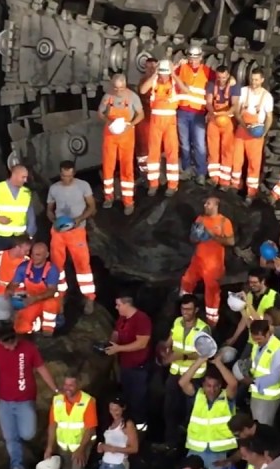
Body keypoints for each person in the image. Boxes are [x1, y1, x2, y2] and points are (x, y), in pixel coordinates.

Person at [0, 326, 57, 469]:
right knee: (10, 437)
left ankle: (23, 450)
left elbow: (42, 369)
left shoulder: (29, 348)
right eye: (6, 344)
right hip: (5, 401)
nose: (11, 347)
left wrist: (55, 390)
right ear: (0, 342)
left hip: (25, 401)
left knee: (27, 433)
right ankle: (17, 467)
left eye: (13, 342)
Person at [174, 356, 237, 469]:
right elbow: (183, 382)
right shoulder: (197, 396)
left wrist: (218, 363)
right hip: (195, 452)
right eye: (208, 385)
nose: (212, 389)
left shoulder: (226, 398)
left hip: (218, 456)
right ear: (203, 386)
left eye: (216, 386)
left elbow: (233, 384)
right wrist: (201, 360)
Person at [44, 375, 97, 469]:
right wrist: (49, 447)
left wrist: (80, 450)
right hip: (64, 445)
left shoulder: (87, 401)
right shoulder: (58, 400)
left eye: (71, 385)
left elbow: (90, 428)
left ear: (78, 385)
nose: (67, 388)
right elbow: (52, 424)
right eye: (66, 385)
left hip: (81, 445)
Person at [47, 160, 98, 313]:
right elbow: (49, 209)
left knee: (82, 265)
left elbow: (92, 207)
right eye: (63, 176)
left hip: (77, 231)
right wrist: (53, 221)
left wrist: (79, 219)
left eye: (69, 176)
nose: (66, 179)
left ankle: (89, 297)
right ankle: (60, 297)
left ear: (74, 174)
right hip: (58, 232)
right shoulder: (54, 188)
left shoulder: (83, 185)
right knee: (57, 266)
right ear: (60, 174)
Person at [163, 295, 212, 442]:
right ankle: (170, 442)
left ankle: (188, 442)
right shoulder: (177, 321)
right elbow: (170, 339)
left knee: (190, 412)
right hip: (175, 373)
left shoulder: (203, 328)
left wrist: (181, 357)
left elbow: (205, 353)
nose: (185, 312)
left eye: (189, 309)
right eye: (183, 309)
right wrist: (165, 350)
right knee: (170, 409)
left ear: (196, 310)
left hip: (194, 376)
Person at [181, 196, 235, 325]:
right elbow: (192, 239)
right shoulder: (200, 219)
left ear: (216, 205)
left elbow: (231, 241)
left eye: (209, 204)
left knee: (212, 292)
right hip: (198, 260)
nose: (205, 205)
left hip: (213, 265)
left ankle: (211, 322)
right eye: (205, 203)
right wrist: (196, 236)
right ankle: (184, 310)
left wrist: (211, 235)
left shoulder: (224, 222)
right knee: (186, 282)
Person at [106, 295, 153, 431]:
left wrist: (119, 348)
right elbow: (116, 333)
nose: (116, 307)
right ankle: (127, 427)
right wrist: (110, 344)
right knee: (127, 397)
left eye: (118, 304)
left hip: (139, 368)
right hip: (125, 366)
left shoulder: (141, 319)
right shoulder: (122, 318)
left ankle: (140, 429)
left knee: (138, 399)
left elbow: (142, 343)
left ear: (127, 304)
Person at [97, 73, 143, 214]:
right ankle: (108, 197)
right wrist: (108, 121)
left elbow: (141, 115)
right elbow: (100, 113)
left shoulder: (132, 97)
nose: (118, 91)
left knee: (126, 168)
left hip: (126, 135)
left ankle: (128, 202)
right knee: (108, 167)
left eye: (121, 88)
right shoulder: (108, 96)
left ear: (125, 85)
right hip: (110, 136)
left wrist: (131, 124)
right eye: (116, 88)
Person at [139, 59, 186, 195]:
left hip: (170, 122)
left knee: (172, 152)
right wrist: (155, 75)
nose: (163, 77)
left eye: (166, 74)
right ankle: (153, 183)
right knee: (153, 153)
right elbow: (142, 90)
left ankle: (172, 185)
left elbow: (185, 90)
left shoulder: (174, 82)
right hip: (156, 122)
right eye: (162, 74)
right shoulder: (154, 81)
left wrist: (174, 75)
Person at [230, 68, 274, 203]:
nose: (253, 82)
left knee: (254, 164)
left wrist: (264, 133)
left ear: (262, 80)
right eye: (252, 79)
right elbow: (237, 111)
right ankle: (234, 187)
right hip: (242, 130)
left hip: (256, 134)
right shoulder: (243, 91)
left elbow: (269, 117)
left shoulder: (267, 97)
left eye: (256, 79)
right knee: (236, 161)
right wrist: (244, 126)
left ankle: (251, 193)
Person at [0, 165, 37, 254]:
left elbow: (30, 215)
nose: (25, 180)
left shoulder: (26, 192)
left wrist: (30, 235)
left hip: (19, 238)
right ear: (15, 175)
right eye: (23, 177)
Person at [175, 45, 213, 183]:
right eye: (190, 58)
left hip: (198, 113)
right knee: (184, 144)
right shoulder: (182, 68)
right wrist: (177, 65)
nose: (192, 61)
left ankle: (200, 173)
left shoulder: (208, 72)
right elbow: (168, 73)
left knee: (199, 144)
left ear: (201, 58)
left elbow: (222, 81)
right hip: (183, 111)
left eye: (195, 58)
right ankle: (186, 170)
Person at [9, 241, 62, 335]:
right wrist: (11, 293)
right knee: (20, 328)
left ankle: (48, 328)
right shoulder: (24, 267)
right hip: (31, 300)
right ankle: (38, 323)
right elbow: (14, 284)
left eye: (38, 255)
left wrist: (35, 298)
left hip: (46, 301)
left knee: (51, 303)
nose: (33, 258)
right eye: (32, 254)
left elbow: (52, 291)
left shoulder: (52, 269)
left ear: (46, 255)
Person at [242, 320, 280, 426]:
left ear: (267, 334)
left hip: (268, 396)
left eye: (259, 339)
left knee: (263, 426)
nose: (257, 342)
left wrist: (252, 381)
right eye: (254, 339)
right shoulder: (257, 344)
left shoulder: (277, 350)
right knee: (257, 424)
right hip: (257, 392)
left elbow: (275, 377)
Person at [225, 269, 278, 348]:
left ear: (263, 281)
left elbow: (261, 323)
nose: (251, 285)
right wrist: (234, 338)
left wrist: (248, 303)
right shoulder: (250, 295)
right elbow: (245, 319)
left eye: (255, 282)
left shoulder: (274, 297)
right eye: (250, 282)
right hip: (251, 340)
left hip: (265, 342)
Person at [205, 65, 239, 187]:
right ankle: (213, 178)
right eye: (219, 77)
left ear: (228, 75)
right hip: (214, 121)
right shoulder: (211, 85)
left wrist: (226, 113)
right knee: (213, 150)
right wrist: (213, 112)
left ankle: (224, 181)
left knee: (227, 150)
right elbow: (208, 102)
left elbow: (235, 105)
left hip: (227, 121)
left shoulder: (234, 87)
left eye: (224, 77)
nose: (222, 79)